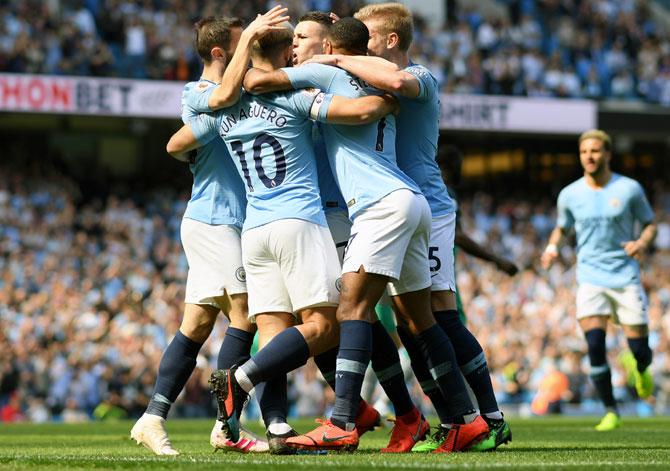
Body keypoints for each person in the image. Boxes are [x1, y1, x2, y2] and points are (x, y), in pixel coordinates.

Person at [243, 17, 488, 453]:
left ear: (329, 45)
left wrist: (260, 52)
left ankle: (343, 420)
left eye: (302, 38)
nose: (295, 46)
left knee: (352, 309)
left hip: (372, 208)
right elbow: (373, 95)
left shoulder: (330, 74)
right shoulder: (374, 84)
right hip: (408, 201)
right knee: (417, 321)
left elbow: (259, 81)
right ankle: (464, 420)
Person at [166, 24, 398, 453]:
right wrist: (388, 98)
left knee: (273, 334)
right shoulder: (294, 99)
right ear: (287, 53)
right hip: (299, 223)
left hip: (254, 231)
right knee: (327, 326)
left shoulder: (224, 109)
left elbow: (177, 143)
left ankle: (276, 430)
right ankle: (241, 379)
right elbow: (359, 113)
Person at [303, 3, 505, 451]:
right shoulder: (362, 75)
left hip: (423, 205)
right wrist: (338, 44)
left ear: (391, 41)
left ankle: (487, 417)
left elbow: (393, 81)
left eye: (368, 37)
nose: (363, 46)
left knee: (437, 316)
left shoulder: (419, 76)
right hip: (397, 205)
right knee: (413, 323)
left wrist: (334, 55)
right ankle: (456, 420)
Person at [130, 9, 288, 455]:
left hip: (220, 221)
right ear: (221, 53)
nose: (250, 51)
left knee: (196, 325)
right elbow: (214, 105)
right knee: (247, 315)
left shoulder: (233, 93)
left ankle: (151, 417)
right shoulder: (199, 91)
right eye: (242, 45)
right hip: (217, 220)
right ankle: (227, 426)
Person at [541, 129, 657, 431]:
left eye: (595, 151)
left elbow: (649, 225)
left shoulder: (629, 189)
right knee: (594, 344)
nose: (589, 157)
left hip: (625, 275)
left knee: (640, 349)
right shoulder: (570, 194)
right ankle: (610, 410)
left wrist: (641, 243)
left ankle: (640, 366)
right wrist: (552, 247)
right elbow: (562, 227)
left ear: (607, 154)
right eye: (584, 152)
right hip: (590, 277)